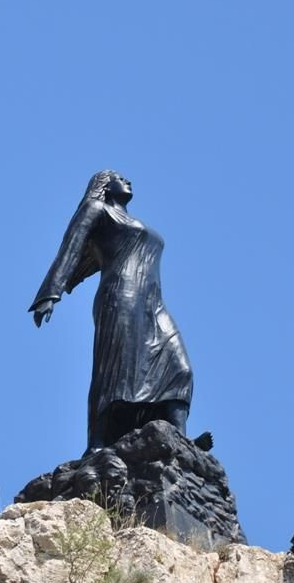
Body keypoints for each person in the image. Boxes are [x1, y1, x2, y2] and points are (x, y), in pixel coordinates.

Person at [30, 170, 194, 453]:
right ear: (104, 185)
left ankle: (181, 441)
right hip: (121, 297)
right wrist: (49, 293)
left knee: (180, 368)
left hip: (153, 304)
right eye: (119, 177)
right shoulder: (97, 210)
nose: (127, 180)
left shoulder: (133, 221)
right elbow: (70, 249)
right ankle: (96, 443)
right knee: (115, 371)